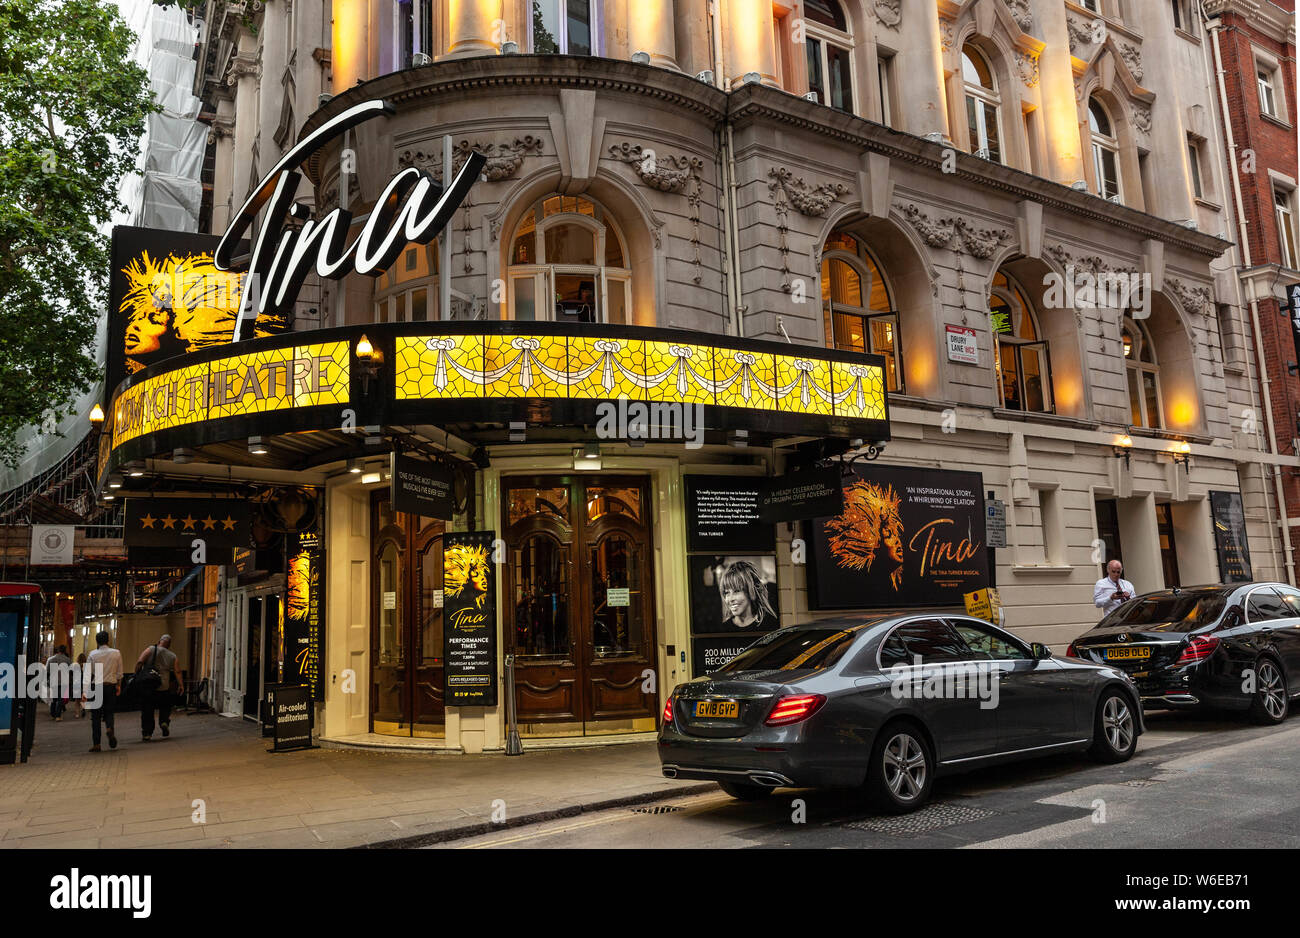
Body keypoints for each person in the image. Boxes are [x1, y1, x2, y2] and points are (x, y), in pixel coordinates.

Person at [136, 634, 184, 741]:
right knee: (165, 706)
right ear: (169, 645)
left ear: (159, 641)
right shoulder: (173, 656)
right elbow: (178, 671)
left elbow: (140, 662)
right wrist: (181, 685)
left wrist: (137, 675)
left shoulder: (151, 649)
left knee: (147, 710)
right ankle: (164, 722)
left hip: (149, 686)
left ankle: (147, 733)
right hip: (164, 686)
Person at [86, 632, 123, 753]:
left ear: (97, 641)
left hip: (96, 687)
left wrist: (84, 691)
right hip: (110, 686)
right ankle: (109, 728)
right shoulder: (116, 653)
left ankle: (96, 744)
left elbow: (88, 674)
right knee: (109, 712)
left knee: (95, 716)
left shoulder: (92, 654)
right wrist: (118, 685)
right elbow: (119, 673)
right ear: (108, 640)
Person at [719, 560, 778, 630]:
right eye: (727, 593)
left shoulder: (770, 625)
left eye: (736, 591)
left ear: (750, 591)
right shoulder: (723, 629)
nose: (730, 599)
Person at [46, 645, 71, 721]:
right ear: (65, 651)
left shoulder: (51, 659)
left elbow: (48, 670)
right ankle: (58, 715)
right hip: (63, 681)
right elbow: (70, 671)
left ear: (58, 650)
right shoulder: (68, 660)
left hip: (53, 681)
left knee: (54, 698)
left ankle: (53, 713)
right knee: (60, 699)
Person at [73, 653, 88, 718]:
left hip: (77, 684)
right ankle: (83, 709)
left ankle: (77, 714)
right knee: (83, 699)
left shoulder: (75, 666)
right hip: (84, 684)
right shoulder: (87, 666)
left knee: (77, 701)